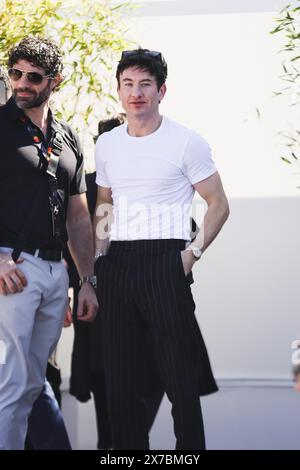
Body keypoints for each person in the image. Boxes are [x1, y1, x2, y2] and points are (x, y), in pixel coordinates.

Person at [94, 48, 230, 450]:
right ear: (119, 90)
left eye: (145, 85)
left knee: (180, 383)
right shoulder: (108, 143)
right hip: (117, 264)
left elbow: (219, 204)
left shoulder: (186, 141)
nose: (136, 93)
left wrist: (190, 256)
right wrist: (100, 257)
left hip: (166, 261)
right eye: (128, 84)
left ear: (161, 90)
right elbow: (105, 202)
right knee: (119, 384)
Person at [0, 36, 98, 450]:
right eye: (15, 73)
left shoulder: (67, 136)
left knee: (31, 386)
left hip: (57, 273)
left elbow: (78, 215)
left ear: (55, 80)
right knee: (11, 384)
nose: (21, 83)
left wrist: (87, 279)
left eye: (33, 77)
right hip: (13, 268)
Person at [70, 114, 164, 449]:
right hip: (107, 317)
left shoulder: (145, 187)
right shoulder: (88, 190)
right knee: (118, 425)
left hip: (114, 319)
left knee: (116, 428)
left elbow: (186, 231)